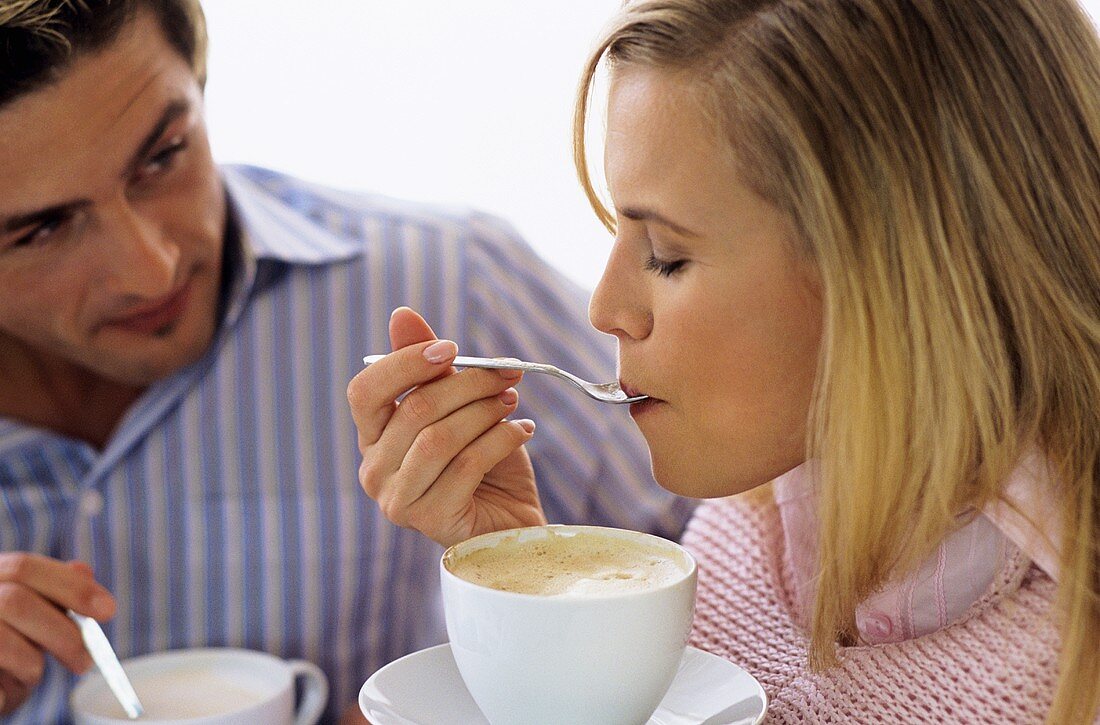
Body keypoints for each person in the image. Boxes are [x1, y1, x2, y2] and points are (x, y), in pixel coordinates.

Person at [349, 0, 1100, 722]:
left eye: (667, 256)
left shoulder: (1065, 661)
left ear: (901, 279)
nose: (604, 308)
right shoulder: (735, 540)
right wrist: (522, 589)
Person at [0, 1, 696, 722]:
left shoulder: (460, 282)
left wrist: (520, 598)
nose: (151, 267)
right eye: (43, 229)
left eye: (162, 155)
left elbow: (758, 598)